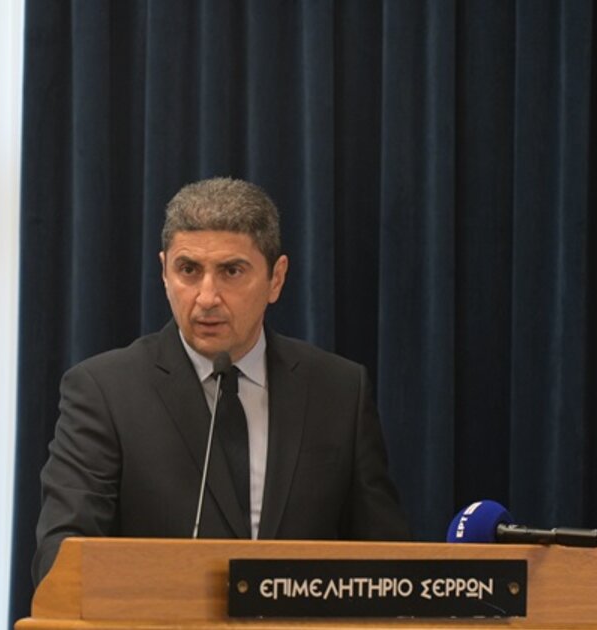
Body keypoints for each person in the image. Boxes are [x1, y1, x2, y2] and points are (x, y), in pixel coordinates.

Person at [33, 177, 409, 583]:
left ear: (276, 279)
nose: (207, 297)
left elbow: (387, 565)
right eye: (188, 270)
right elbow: (62, 560)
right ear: (164, 273)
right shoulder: (104, 391)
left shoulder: (338, 391)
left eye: (231, 271)